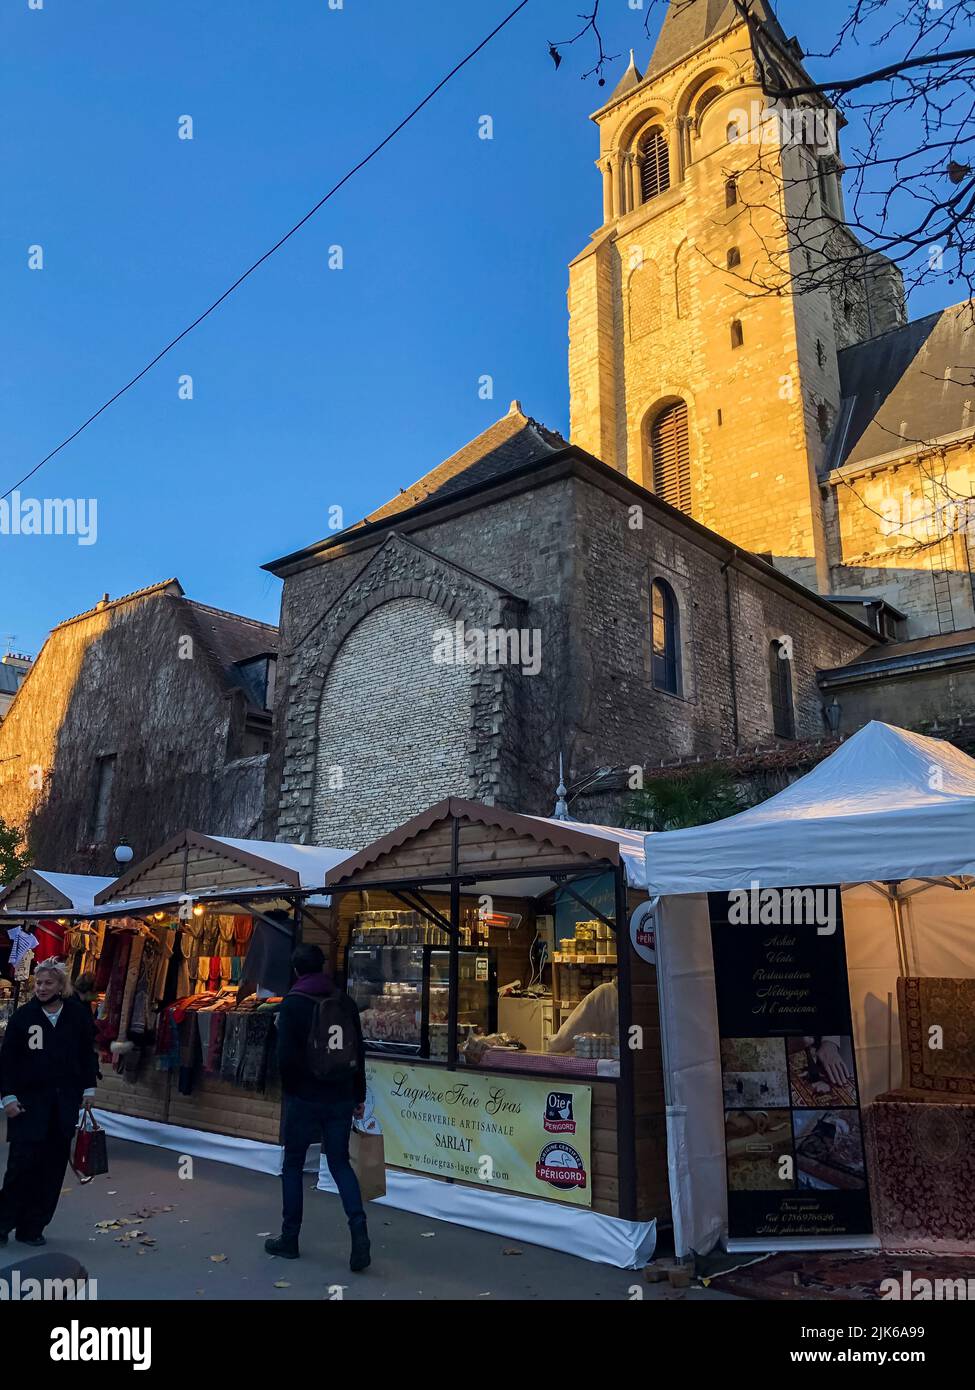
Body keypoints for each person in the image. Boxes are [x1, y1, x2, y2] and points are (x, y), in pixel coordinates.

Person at [265, 944, 370, 1270]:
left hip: (305, 1098)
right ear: (323, 967)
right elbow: (359, 1050)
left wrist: (293, 1091)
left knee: (293, 1166)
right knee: (340, 1164)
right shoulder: (345, 1001)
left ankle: (289, 1238)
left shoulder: (293, 1003)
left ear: (296, 970)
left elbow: (285, 1057)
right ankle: (359, 1232)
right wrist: (359, 1094)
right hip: (340, 1095)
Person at [0, 962, 98, 1247]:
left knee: (52, 1170)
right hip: (28, 1105)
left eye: (48, 983)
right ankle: (3, 1222)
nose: (42, 988)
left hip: (63, 1105)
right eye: (38, 983)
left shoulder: (77, 1015)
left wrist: (89, 1087)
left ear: (61, 986)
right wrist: (8, 1096)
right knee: (20, 1167)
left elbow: (86, 1053)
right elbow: (7, 1061)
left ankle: (33, 1227)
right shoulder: (24, 1017)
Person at [548, 978, 618, 1054]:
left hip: (606, 1063)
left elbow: (562, 1040)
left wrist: (553, 1042)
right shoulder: (605, 993)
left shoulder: (604, 993)